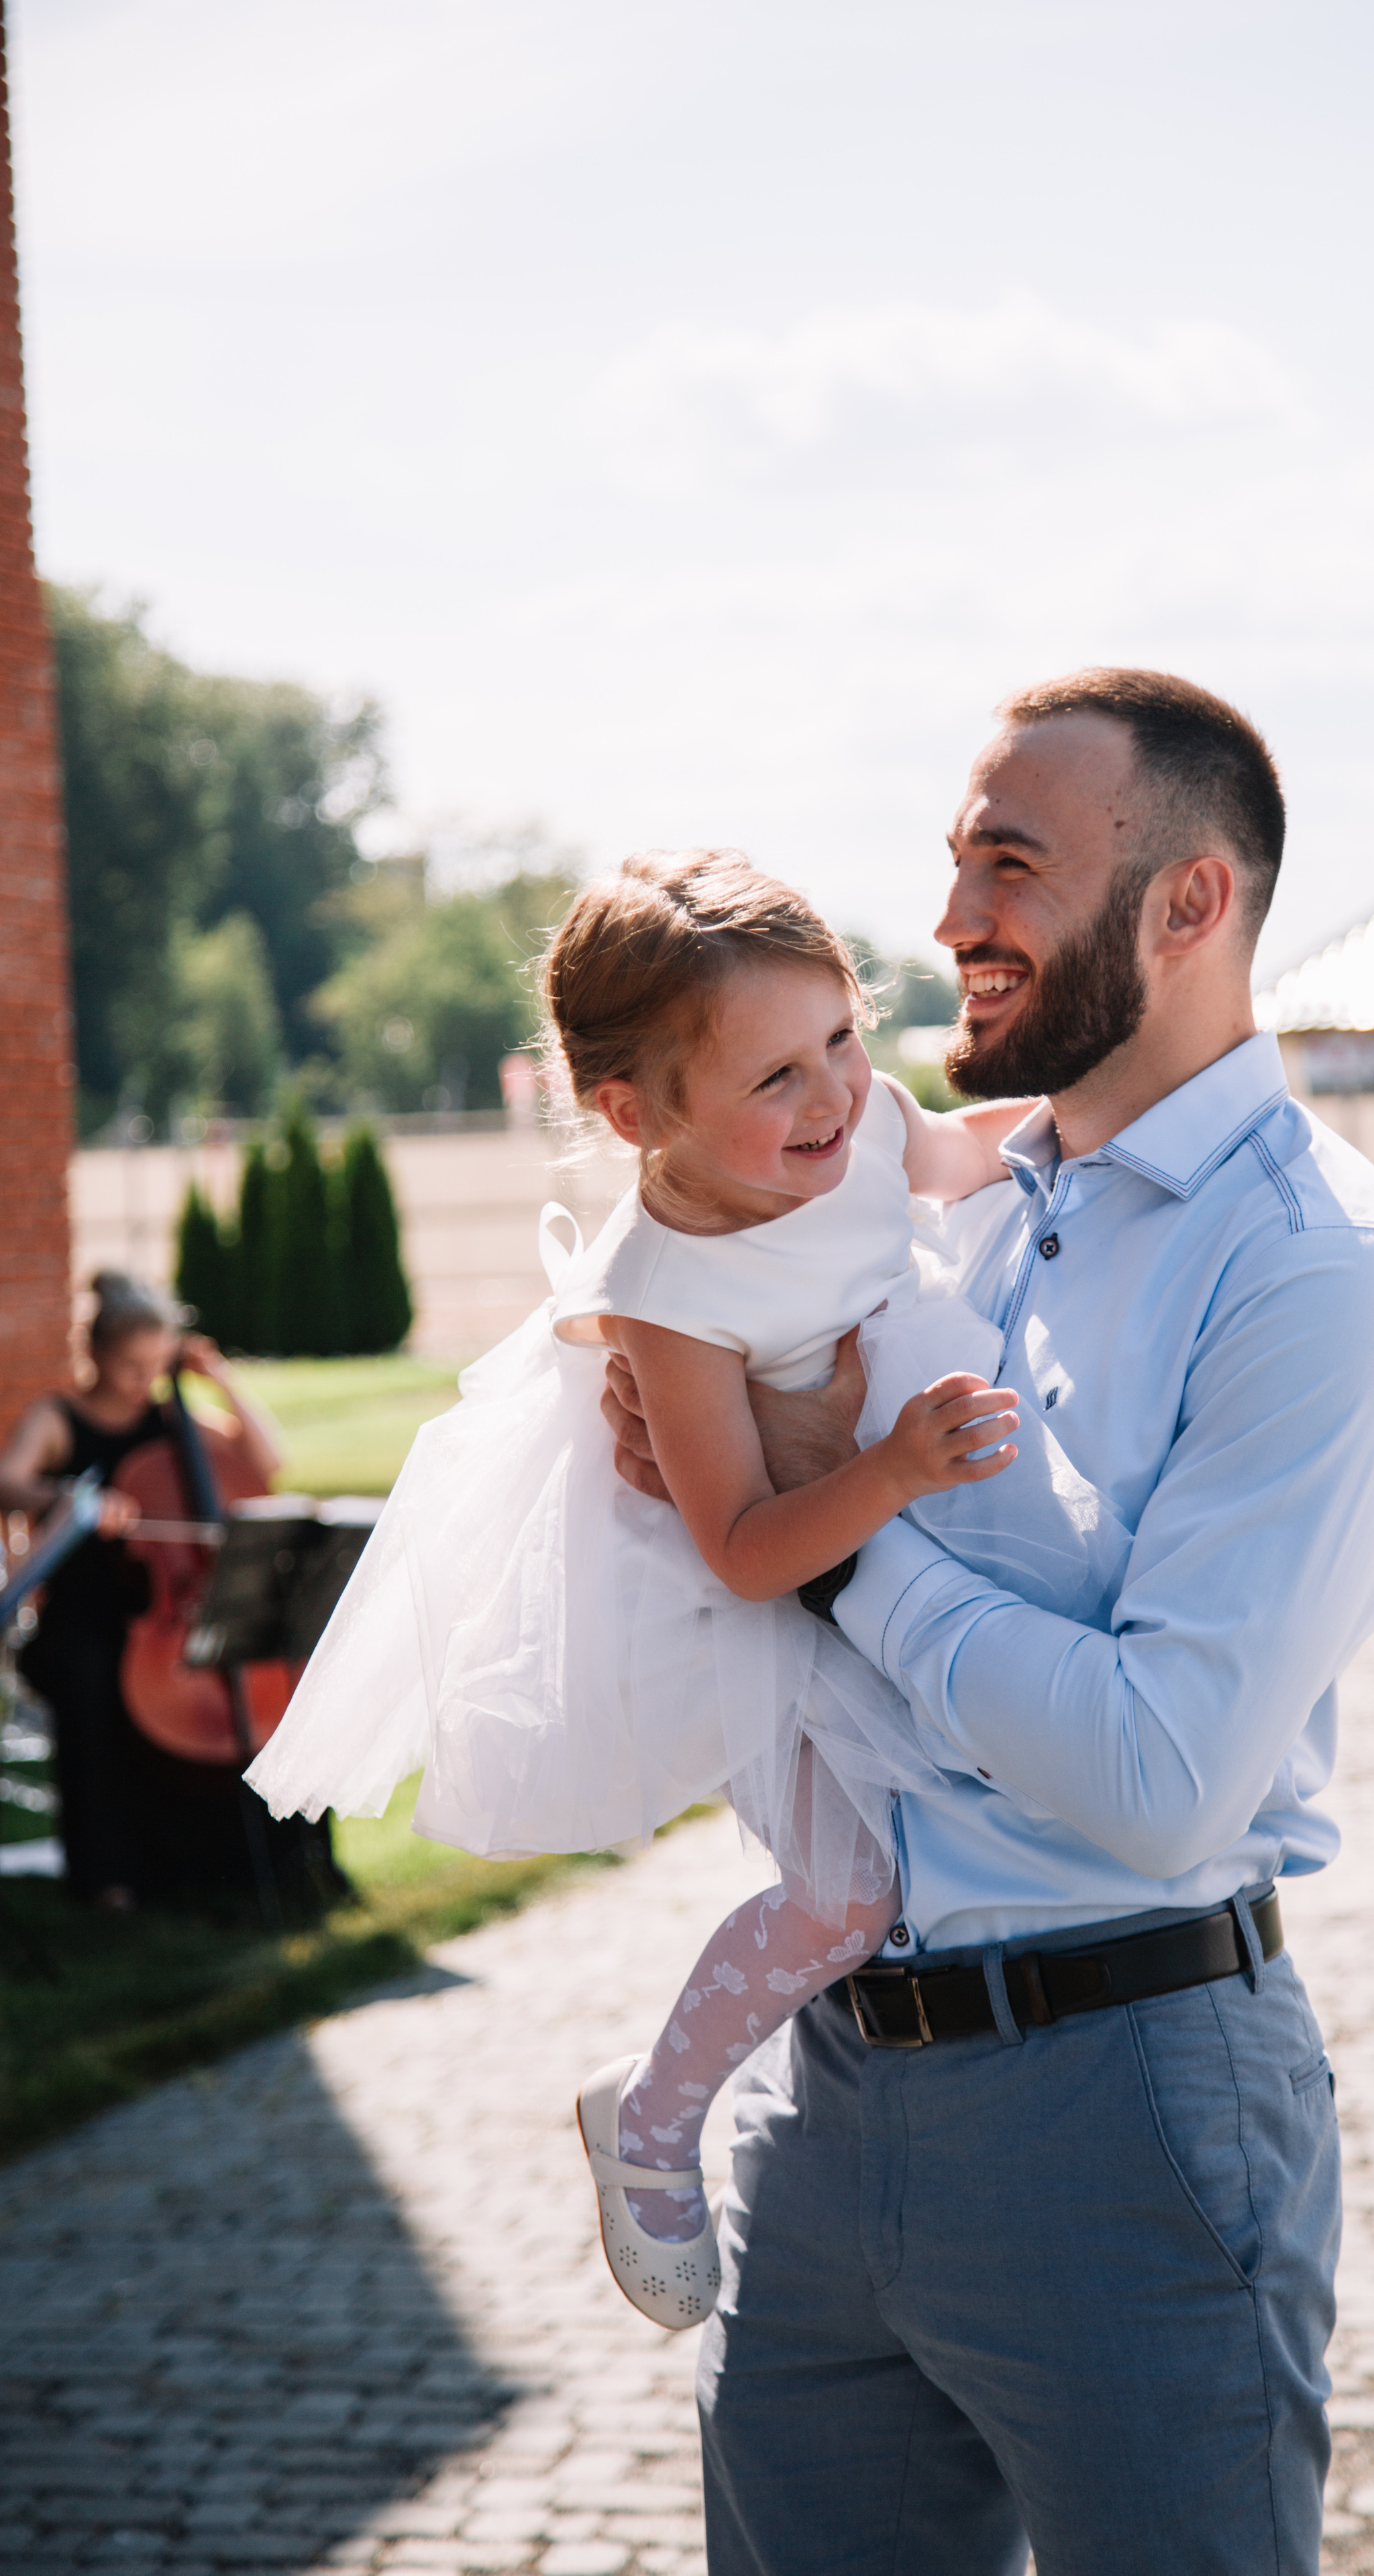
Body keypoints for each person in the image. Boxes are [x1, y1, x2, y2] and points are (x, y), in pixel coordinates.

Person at [599, 672, 1374, 2576]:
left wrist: (846, 1536)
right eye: (952, 861)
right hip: (825, 2101)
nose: (945, 926)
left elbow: (1162, 1779)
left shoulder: (1327, 1279)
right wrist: (702, 1473)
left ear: (1191, 905)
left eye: (1008, 865)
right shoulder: (944, 1206)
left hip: (1125, 2106)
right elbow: (764, 1523)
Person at [250, 852, 1134, 2324]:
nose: (837, 1096)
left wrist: (1087, 1138)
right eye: (776, 1077)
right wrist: (895, 1474)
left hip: (873, 1513)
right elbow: (737, 1546)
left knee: (975, 1789)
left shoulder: (856, 1131)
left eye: (844, 1040)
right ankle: (653, 2113)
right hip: (750, 1592)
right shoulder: (669, 1293)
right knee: (847, 1894)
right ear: (632, 1114)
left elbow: (973, 1156)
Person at [0, 1272, 295, 1908]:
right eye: (133, 1365)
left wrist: (217, 1377)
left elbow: (268, 1462)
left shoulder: (171, 1419)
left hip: (167, 1617)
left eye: (159, 1364)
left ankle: (221, 1861)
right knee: (92, 1681)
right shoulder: (59, 1418)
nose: (146, 1379)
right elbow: (7, 1481)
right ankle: (109, 1878)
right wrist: (67, 1497)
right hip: (81, 1621)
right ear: (97, 1353)